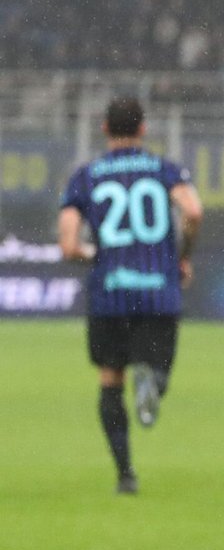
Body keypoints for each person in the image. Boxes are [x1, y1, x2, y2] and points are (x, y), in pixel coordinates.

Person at [57, 96, 204, 495]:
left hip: (110, 292)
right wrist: (182, 256)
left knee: (110, 379)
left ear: (104, 129)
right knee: (158, 368)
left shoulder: (86, 176)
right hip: (158, 289)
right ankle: (153, 380)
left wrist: (97, 254)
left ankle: (125, 474)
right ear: (143, 129)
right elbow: (193, 212)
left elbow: (68, 245)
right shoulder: (164, 169)